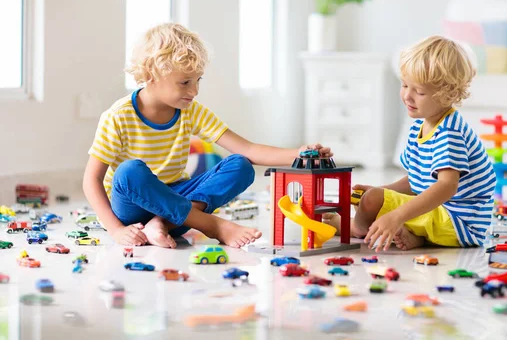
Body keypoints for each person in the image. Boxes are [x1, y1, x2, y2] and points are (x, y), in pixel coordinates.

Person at [83, 23, 332, 249]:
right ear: (151, 76)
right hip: (132, 210)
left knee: (240, 165)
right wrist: (116, 230)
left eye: (198, 80)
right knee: (129, 172)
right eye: (185, 82)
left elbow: (247, 149)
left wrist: (298, 154)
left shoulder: (190, 111)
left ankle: (161, 225)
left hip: (178, 209)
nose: (195, 91)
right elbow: (91, 180)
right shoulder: (117, 116)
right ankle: (214, 225)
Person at [325, 36, 495, 252]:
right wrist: (384, 191)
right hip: (443, 216)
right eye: (405, 85)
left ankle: (356, 229)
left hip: (460, 223)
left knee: (374, 201)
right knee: (373, 198)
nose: (407, 95)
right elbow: (417, 179)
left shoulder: (449, 132)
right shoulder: (421, 125)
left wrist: (395, 214)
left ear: (448, 94)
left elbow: (446, 186)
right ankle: (417, 237)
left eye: (419, 91)